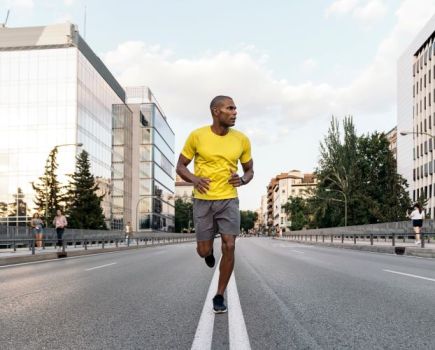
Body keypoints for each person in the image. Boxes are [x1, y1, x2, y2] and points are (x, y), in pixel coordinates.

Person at [176, 95, 254, 314]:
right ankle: (208, 252)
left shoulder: (242, 139)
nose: (235, 112)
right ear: (215, 111)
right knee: (202, 251)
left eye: (236, 108)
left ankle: (219, 295)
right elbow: (180, 166)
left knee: (229, 245)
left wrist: (243, 179)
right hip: (203, 200)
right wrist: (194, 179)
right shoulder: (197, 136)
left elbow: (250, 170)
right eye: (230, 108)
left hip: (228, 198)